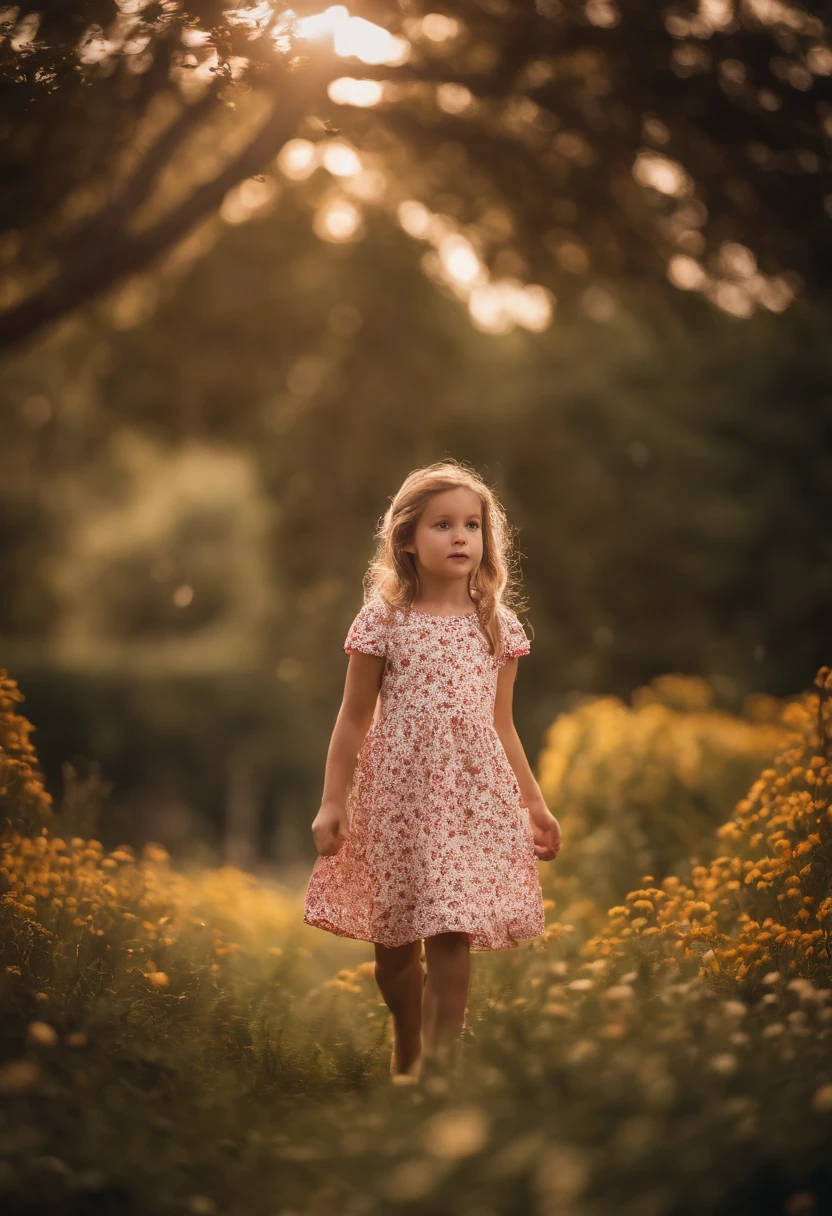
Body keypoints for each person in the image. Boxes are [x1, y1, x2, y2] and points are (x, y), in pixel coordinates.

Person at [302, 459, 562, 1080]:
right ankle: (407, 1037)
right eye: (442, 525)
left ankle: (440, 1077)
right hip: (397, 800)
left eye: (471, 525)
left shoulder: (497, 627)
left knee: (452, 930)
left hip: (472, 800)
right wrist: (333, 801)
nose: (459, 537)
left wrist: (533, 803)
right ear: (407, 541)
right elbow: (352, 717)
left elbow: (502, 724)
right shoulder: (384, 620)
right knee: (394, 953)